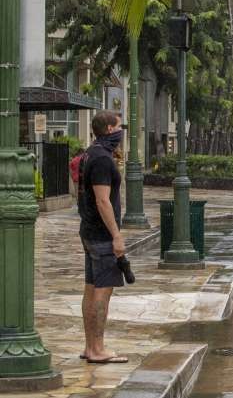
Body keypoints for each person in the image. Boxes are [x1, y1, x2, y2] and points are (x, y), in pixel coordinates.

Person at [78, 111, 128, 364]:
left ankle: (90, 347)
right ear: (109, 129)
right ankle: (97, 349)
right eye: (120, 127)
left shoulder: (90, 153)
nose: (122, 132)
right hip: (101, 235)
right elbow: (102, 200)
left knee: (90, 289)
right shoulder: (101, 159)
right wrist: (116, 236)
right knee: (102, 292)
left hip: (88, 231)